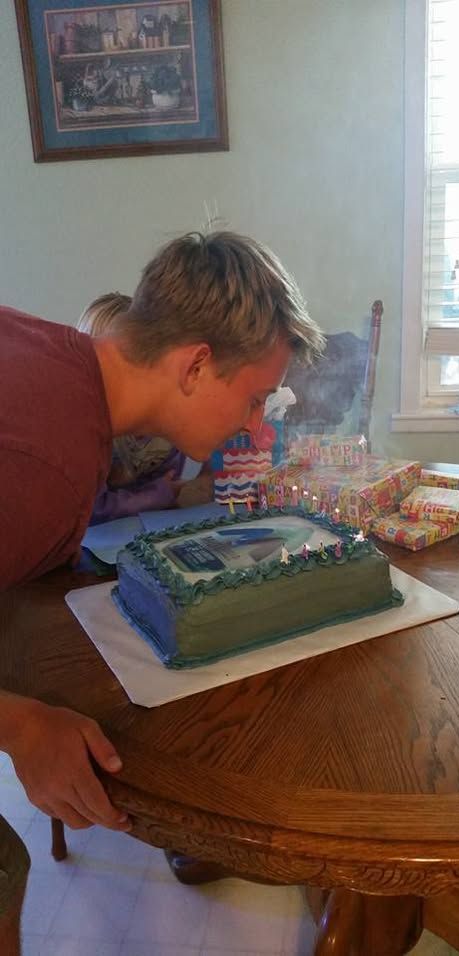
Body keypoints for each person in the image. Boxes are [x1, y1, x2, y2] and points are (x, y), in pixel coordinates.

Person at [0, 230, 325, 954]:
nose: (252, 423)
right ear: (196, 364)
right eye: (252, 398)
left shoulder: (54, 352)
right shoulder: (51, 464)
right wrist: (20, 726)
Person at [77, 292, 213, 524]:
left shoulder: (162, 419)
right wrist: (160, 495)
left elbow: (172, 479)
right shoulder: (84, 429)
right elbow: (91, 509)